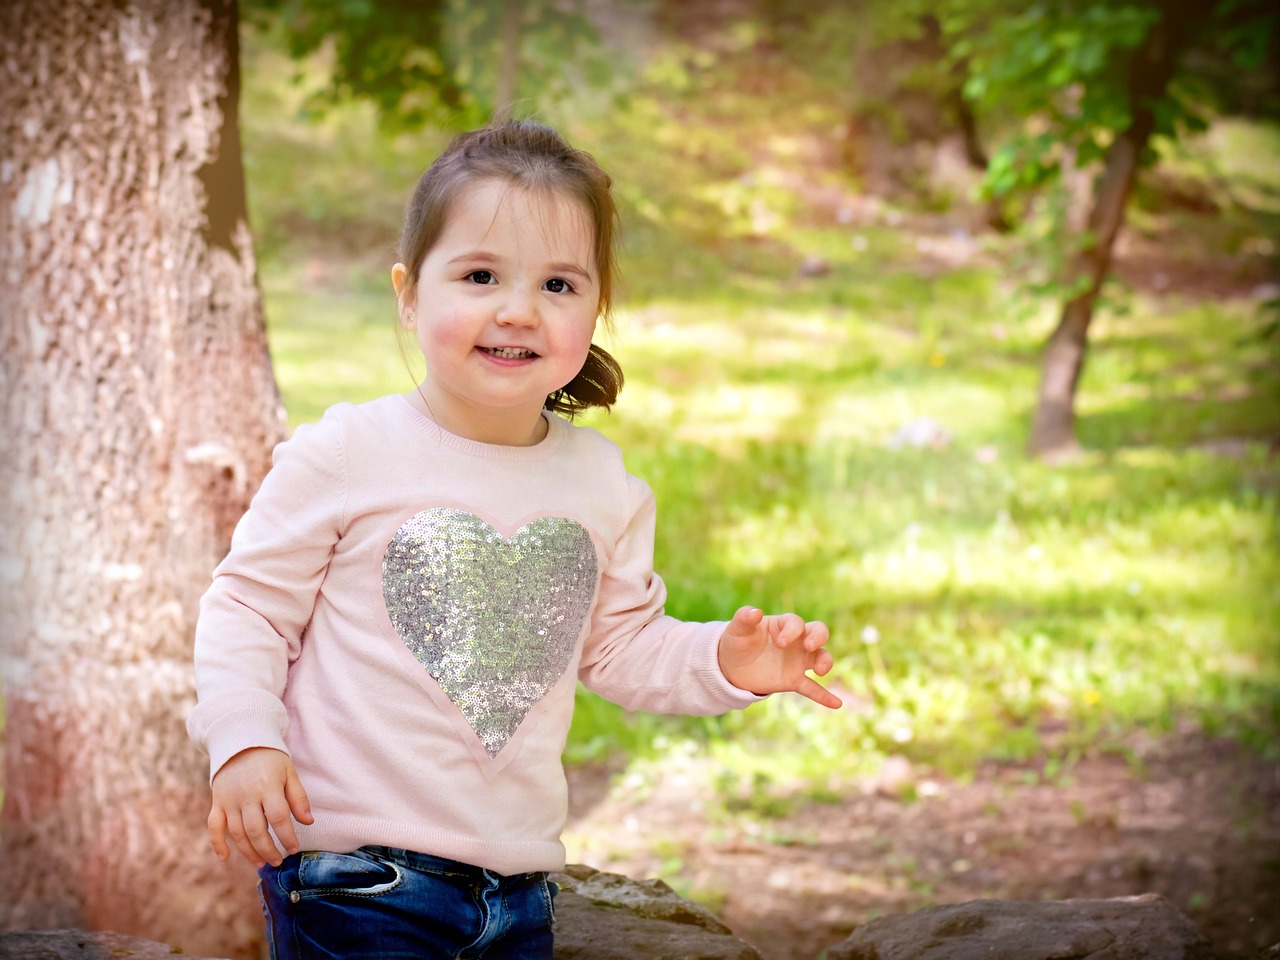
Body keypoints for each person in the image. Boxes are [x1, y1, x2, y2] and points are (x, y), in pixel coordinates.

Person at [187, 118, 841, 960]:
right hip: (352, 874)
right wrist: (244, 741)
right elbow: (247, 608)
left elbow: (620, 648)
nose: (520, 309)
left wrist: (728, 663)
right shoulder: (348, 453)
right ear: (409, 292)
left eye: (560, 285)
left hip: (519, 891)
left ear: (597, 307)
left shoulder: (600, 482)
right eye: (481, 274)